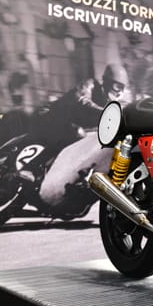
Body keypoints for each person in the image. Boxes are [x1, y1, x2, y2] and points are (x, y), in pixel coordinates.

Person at [38, 64, 131, 216]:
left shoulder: (111, 104)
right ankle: (32, 167)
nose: (119, 92)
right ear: (106, 82)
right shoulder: (90, 85)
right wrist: (106, 113)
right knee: (77, 134)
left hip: (69, 133)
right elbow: (81, 100)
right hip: (51, 117)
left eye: (122, 88)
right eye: (117, 86)